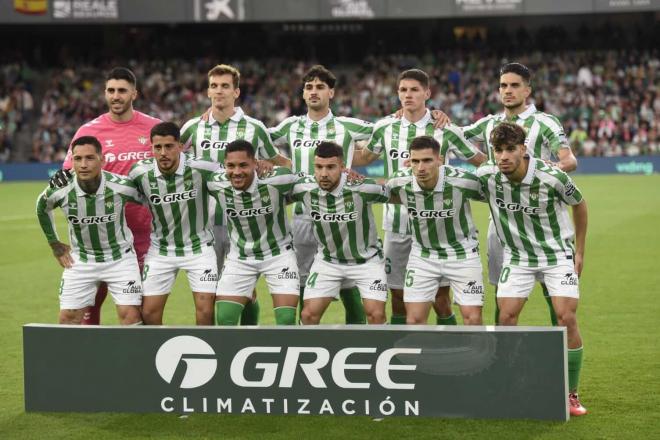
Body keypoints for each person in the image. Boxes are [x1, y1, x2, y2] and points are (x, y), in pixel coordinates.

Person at [353, 68, 486, 325]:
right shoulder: (385, 127)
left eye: (414, 90)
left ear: (427, 92)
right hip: (397, 224)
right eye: (403, 90)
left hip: (439, 226)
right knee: (399, 297)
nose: (408, 95)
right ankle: (403, 352)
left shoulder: (444, 128)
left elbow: (480, 161)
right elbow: (363, 158)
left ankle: (449, 350)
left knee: (440, 299)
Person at [476, 122, 588, 416]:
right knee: (507, 317)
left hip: (555, 254)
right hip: (518, 257)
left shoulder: (551, 176)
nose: (503, 157)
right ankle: (508, 385)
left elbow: (580, 203)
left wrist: (580, 251)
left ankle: (570, 393)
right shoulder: (486, 176)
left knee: (566, 316)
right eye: (498, 150)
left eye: (510, 149)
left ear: (523, 149)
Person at [462, 62, 578, 325]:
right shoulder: (489, 123)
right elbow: (454, 139)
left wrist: (552, 167)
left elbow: (569, 160)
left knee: (556, 296)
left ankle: (558, 351)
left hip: (543, 217)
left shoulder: (544, 122)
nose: (508, 91)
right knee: (503, 294)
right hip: (504, 220)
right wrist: (484, 162)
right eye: (503, 85)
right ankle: (499, 353)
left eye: (515, 85)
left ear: (528, 90)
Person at [180, 64, 291, 325]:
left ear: (236, 91)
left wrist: (271, 165)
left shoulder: (254, 128)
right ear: (208, 91)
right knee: (221, 291)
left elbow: (281, 163)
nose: (219, 91)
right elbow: (169, 157)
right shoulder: (193, 128)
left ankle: (247, 335)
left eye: (225, 86)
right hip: (206, 223)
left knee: (245, 287)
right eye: (214, 86)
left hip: (247, 221)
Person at [51, 67, 161, 325]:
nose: (116, 96)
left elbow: (179, 157)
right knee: (89, 308)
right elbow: (69, 174)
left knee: (139, 310)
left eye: (122, 90)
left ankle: (140, 361)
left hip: (146, 235)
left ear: (134, 93)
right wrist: (59, 177)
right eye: (111, 90)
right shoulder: (89, 130)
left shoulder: (154, 128)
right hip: (97, 237)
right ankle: (91, 363)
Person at [269, 65, 374, 324]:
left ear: (332, 93)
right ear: (303, 94)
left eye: (320, 87)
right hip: (304, 217)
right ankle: (306, 340)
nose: (314, 91)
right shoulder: (291, 126)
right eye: (309, 87)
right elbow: (255, 138)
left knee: (350, 287)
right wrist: (283, 163)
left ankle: (356, 343)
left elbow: (392, 131)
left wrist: (431, 116)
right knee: (303, 282)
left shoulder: (347, 126)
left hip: (344, 218)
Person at [36, 136, 143, 325]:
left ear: (102, 160)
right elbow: (41, 207)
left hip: (121, 259)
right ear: (72, 161)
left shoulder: (121, 186)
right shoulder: (61, 189)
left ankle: (134, 355)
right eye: (78, 159)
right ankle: (74, 356)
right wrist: (55, 244)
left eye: (90, 158)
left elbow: (151, 198)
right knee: (67, 318)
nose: (83, 164)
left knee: (131, 316)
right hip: (81, 260)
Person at [128, 122, 221, 325]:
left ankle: (203, 353)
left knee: (206, 310)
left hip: (199, 248)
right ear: (151, 148)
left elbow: (234, 174)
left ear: (180, 146)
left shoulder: (203, 168)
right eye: (157, 147)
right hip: (161, 251)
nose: (163, 153)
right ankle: (156, 355)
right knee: (150, 314)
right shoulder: (139, 173)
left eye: (169, 146)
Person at [387, 136, 484, 325]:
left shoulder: (463, 182)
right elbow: (383, 196)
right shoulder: (399, 183)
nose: (421, 168)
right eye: (415, 161)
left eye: (427, 160)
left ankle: (474, 354)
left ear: (439, 160)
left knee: (472, 318)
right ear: (409, 161)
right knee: (414, 320)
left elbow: (495, 193)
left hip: (463, 253)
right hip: (422, 255)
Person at [291, 142, 388, 325]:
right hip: (328, 261)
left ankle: (379, 353)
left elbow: (395, 193)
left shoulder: (362, 187)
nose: (324, 173)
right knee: (308, 315)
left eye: (331, 167)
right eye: (319, 167)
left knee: (376, 315)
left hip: (367, 261)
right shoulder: (304, 187)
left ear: (343, 167)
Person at [207, 140, 299, 325]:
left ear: (255, 164)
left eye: (243, 165)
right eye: (230, 166)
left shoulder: (279, 179)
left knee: (286, 319)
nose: (236, 171)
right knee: (225, 318)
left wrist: (345, 175)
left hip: (279, 254)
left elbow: (311, 183)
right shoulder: (214, 183)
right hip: (240, 257)